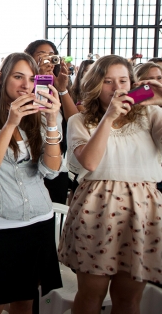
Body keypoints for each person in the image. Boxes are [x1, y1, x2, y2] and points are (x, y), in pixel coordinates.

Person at [58, 55, 162, 314]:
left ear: (133, 84)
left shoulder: (151, 114)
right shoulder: (79, 121)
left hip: (142, 211)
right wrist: (110, 116)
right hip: (96, 208)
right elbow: (90, 162)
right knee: (90, 295)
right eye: (108, 81)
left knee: (128, 299)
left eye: (123, 81)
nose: (117, 88)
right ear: (95, 85)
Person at [0, 53, 63, 314]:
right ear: (2, 77)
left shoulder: (39, 116)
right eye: (18, 76)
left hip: (38, 219)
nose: (25, 85)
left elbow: (51, 171)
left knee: (25, 301)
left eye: (31, 79)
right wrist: (10, 123)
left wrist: (52, 120)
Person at [25, 40, 77, 204]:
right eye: (41, 55)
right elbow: (35, 110)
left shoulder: (58, 83)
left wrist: (62, 89)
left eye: (51, 55)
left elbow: (74, 119)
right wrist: (38, 78)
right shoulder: (23, 84)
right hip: (29, 164)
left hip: (56, 163)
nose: (47, 58)